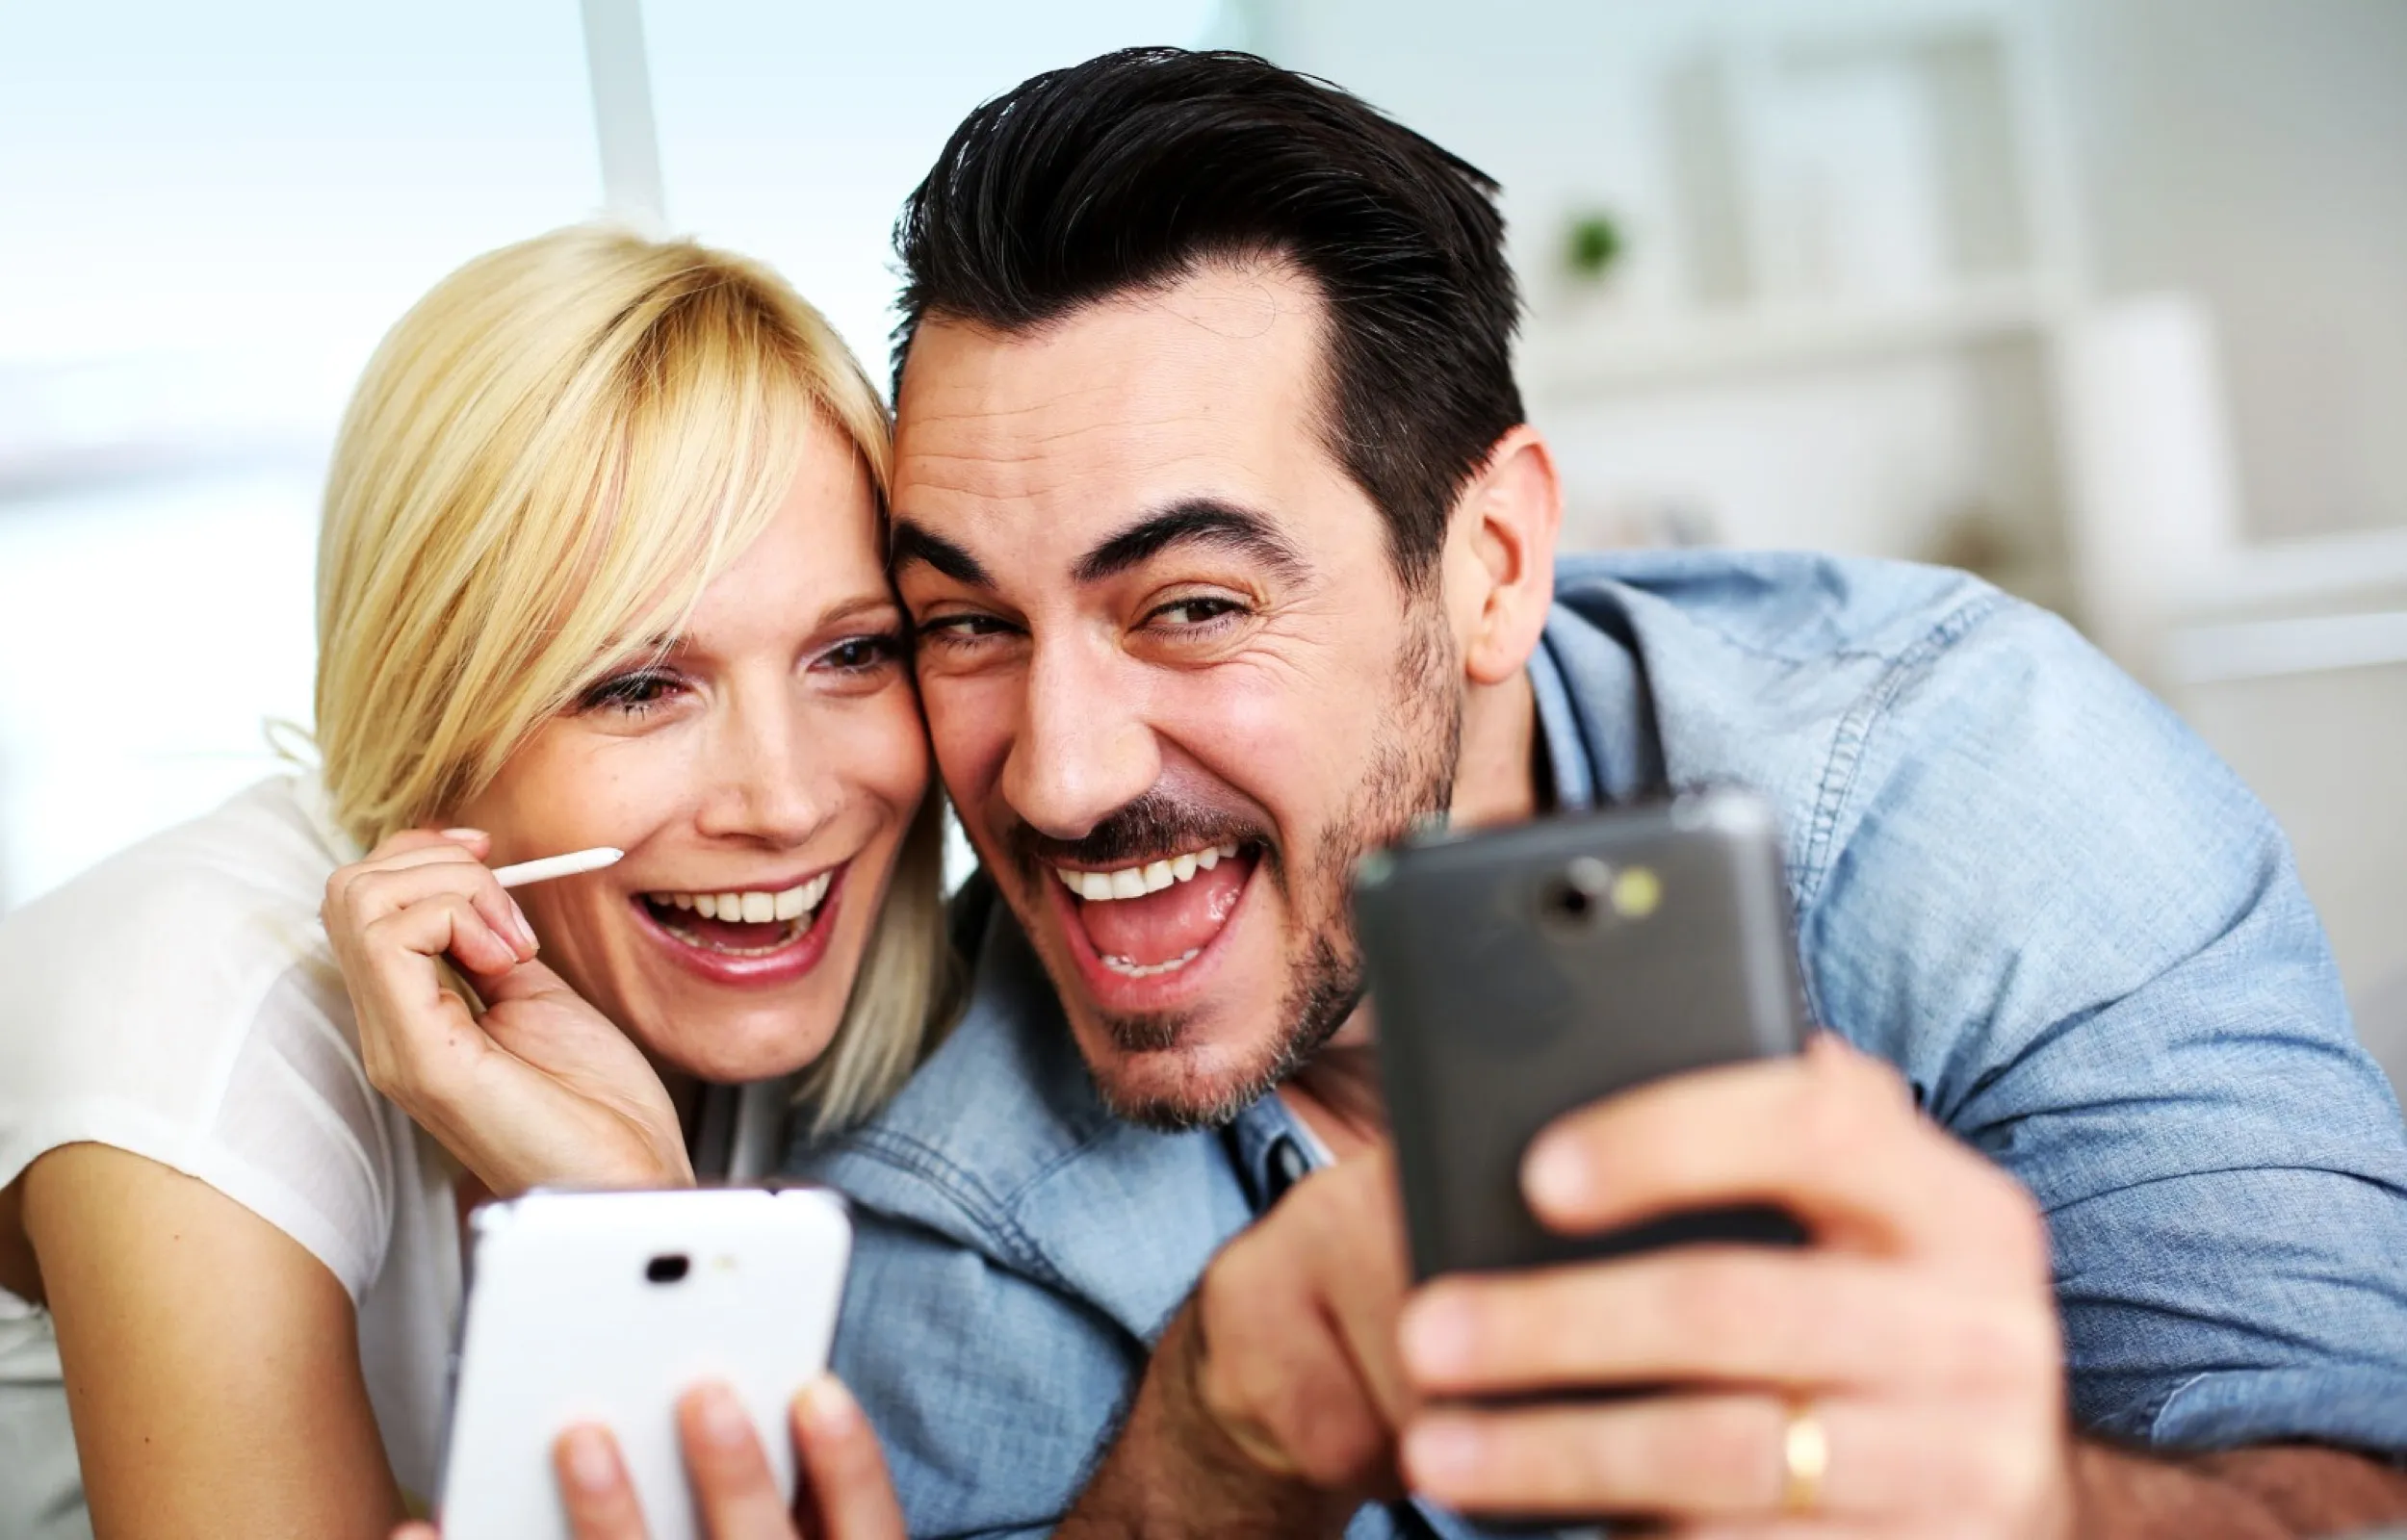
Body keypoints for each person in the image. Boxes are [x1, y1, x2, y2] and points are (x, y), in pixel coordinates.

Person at [775, 47, 2407, 1539]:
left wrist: (2055, 1511)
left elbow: (2351, 1473)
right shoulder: (945, 1200)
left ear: (1491, 563)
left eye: (1193, 606)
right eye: (968, 624)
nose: (1057, 778)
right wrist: (1197, 1463)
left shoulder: (1982, 795)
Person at [0, 224, 949, 1540]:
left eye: (852, 655)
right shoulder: (194, 1003)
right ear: (435, 718)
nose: (787, 801)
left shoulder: (836, 998)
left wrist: (632, 1214)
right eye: (638, 687)